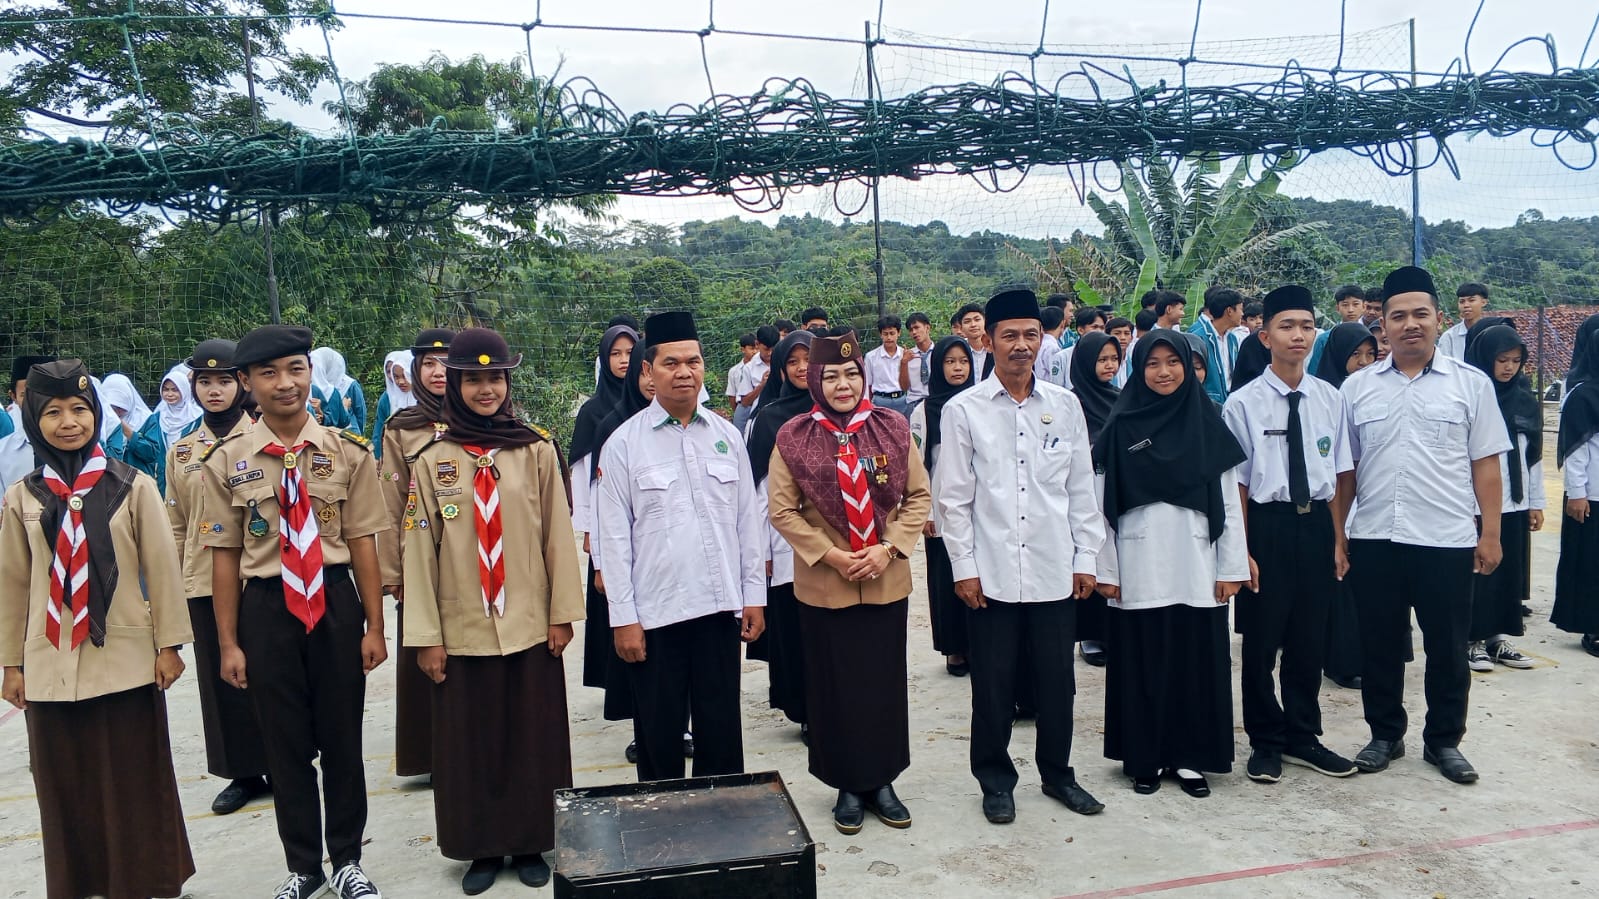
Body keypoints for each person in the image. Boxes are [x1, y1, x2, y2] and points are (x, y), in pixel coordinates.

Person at [200, 325, 390, 899]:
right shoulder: (225, 461)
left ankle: (349, 859)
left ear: (311, 373)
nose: (285, 384)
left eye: (296, 369)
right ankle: (304, 867)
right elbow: (225, 558)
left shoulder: (347, 452)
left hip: (333, 602)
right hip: (266, 607)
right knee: (283, 745)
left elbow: (363, 544)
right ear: (246, 384)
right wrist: (229, 642)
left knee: (342, 740)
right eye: (269, 373)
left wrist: (375, 624)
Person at [0, 359, 196, 899]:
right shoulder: (22, 497)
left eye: (80, 410)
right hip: (50, 664)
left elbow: (162, 569)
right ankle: (81, 881)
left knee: (133, 775)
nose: (69, 422)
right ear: (33, 417)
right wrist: (11, 665)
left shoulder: (131, 486)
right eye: (55, 411)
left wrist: (170, 645)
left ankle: (146, 877)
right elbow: (14, 586)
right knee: (66, 783)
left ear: (97, 414)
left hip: (127, 659)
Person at [404, 328, 583, 894]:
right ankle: (481, 846)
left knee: (533, 737)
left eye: (496, 377)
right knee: (470, 741)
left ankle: (530, 839)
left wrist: (562, 614)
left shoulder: (534, 449)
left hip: (529, 621)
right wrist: (426, 635)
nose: (487, 389)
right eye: (474, 379)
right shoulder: (433, 458)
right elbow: (418, 551)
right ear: (454, 384)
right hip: (461, 628)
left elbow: (557, 534)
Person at [937, 289, 1107, 825]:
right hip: (990, 576)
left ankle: (1058, 775)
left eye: (1030, 335)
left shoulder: (1065, 405)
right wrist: (963, 568)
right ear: (987, 340)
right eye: (1008, 335)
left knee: (1059, 682)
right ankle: (994, 780)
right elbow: (953, 500)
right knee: (994, 684)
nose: (1020, 345)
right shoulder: (963, 410)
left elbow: (1082, 489)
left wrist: (1088, 557)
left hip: (1056, 569)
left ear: (1042, 339)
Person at [1341, 266, 1511, 786]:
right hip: (1374, 537)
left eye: (1420, 314)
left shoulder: (1471, 386)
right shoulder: (1357, 388)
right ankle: (1385, 734)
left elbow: (1486, 464)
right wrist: (1339, 536)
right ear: (1383, 326)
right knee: (1380, 644)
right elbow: (1344, 471)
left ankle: (1443, 741)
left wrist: (1491, 533)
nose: (1410, 324)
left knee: (1447, 646)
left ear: (1438, 318)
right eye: (1398, 316)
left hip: (1445, 538)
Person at [768, 331, 932, 835]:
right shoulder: (793, 436)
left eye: (851, 373)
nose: (843, 384)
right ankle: (845, 784)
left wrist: (888, 549)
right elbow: (782, 510)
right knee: (833, 687)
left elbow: (919, 498)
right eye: (831, 376)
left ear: (864, 376)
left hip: (886, 578)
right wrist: (832, 555)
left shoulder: (893, 427)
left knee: (882, 683)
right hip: (826, 584)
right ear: (815, 381)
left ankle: (883, 781)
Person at [594, 310, 766, 782]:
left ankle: (724, 820)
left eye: (693, 361)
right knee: (659, 735)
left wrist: (754, 597)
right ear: (648, 372)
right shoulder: (624, 445)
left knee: (721, 730)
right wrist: (623, 618)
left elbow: (747, 525)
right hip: (656, 617)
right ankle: (663, 831)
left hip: (718, 611)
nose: (684, 371)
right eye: (671, 363)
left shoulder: (727, 436)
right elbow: (612, 540)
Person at [1097, 330, 1248, 798]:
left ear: (1189, 367)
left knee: (1194, 663)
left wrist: (1231, 568)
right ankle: (1145, 758)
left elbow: (1227, 499)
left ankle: (1189, 757)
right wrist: (1106, 569)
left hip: (1196, 562)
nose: (1163, 372)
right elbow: (1099, 506)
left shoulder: (1209, 423)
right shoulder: (1121, 428)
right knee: (1142, 662)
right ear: (1138, 371)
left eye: (1173, 362)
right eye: (1152, 364)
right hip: (1138, 563)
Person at [1223, 286, 1358, 786]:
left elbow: (1343, 473)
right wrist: (1241, 549)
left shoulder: (1330, 398)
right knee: (1261, 641)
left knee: (1309, 637)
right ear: (1265, 335)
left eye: (1306, 325)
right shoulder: (1242, 404)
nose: (1298, 335)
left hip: (1316, 524)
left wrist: (1339, 538)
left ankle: (1304, 735)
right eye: (1286, 326)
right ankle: (1265, 741)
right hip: (1267, 525)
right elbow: (1235, 482)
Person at [165, 340, 272, 816]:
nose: (214, 390)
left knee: (271, 672)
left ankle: (283, 761)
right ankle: (241, 772)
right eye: (204, 382)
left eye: (224, 381)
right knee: (222, 680)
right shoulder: (182, 450)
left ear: (241, 384)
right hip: (205, 581)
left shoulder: (265, 440)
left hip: (259, 576)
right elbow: (175, 524)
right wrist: (173, 584)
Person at [378, 329, 455, 783]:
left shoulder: (487, 418)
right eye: (428, 363)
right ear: (415, 371)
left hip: (478, 557)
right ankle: (429, 755)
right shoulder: (401, 428)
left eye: (447, 362)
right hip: (418, 556)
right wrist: (393, 571)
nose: (438, 371)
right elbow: (387, 503)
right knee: (426, 652)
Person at [745, 330, 815, 737]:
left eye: (809, 359)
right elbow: (756, 489)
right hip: (784, 542)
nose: (803, 367)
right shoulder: (768, 418)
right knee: (795, 627)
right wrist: (761, 547)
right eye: (793, 361)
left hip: (837, 545)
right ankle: (805, 708)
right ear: (781, 369)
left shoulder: (837, 410)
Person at [1464, 325, 1541, 671]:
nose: (1509, 368)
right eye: (1501, 360)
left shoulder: (1524, 399)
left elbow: (1532, 456)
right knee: (1477, 572)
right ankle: (1472, 639)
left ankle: (1497, 637)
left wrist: (1535, 501)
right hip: (1478, 503)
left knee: (1507, 570)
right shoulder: (1472, 396)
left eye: (1516, 361)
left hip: (1515, 501)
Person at [1313, 322, 1381, 691]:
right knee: (1341, 587)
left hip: (1374, 503)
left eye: (1370, 355)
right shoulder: (1326, 397)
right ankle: (1342, 660)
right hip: (1339, 501)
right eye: (1355, 355)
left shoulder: (1377, 392)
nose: (1364, 362)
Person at [909, 337, 975, 677]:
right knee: (945, 579)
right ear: (937, 367)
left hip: (979, 508)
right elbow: (917, 464)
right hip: (941, 510)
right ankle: (954, 649)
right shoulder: (924, 411)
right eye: (950, 362)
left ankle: (978, 643)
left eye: (963, 361)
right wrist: (927, 512)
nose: (958, 368)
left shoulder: (981, 404)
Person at [1552, 313, 1599, 657]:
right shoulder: (1584, 395)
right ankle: (1592, 627)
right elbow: (1577, 450)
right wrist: (1578, 493)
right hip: (1591, 495)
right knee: (1589, 565)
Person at [0, 354, 56, 488]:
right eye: (25, 395)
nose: (36, 402)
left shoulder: (77, 445)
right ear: (13, 396)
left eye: (44, 393)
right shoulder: (2, 453)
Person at [1189, 288, 1243, 403]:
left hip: (1230, 400)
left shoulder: (1232, 339)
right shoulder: (1199, 337)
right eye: (1240, 309)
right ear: (1229, 311)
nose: (1242, 314)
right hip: (1207, 402)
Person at [1308, 286, 1368, 372]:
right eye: (1345, 305)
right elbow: (1314, 372)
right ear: (1337, 308)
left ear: (1364, 307)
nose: (1350, 310)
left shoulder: (1371, 337)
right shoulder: (1325, 339)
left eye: (1355, 304)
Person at [98, 372, 153, 466]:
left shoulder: (147, 419)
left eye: (122, 407)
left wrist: (130, 434)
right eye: (113, 407)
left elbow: (151, 454)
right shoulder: (100, 421)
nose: (118, 412)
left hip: (139, 476)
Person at [369, 350, 415, 456]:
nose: (400, 382)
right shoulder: (388, 399)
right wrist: (377, 454)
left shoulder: (425, 399)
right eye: (396, 377)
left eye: (405, 376)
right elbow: (380, 429)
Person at [865, 315, 910, 417]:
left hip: (901, 400)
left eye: (892, 333)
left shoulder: (905, 355)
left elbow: (908, 383)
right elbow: (868, 384)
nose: (889, 338)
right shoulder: (871, 357)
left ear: (899, 333)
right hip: (880, 401)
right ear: (881, 334)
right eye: (885, 334)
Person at [1437, 282, 1490, 359]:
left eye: (1471, 300)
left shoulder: (1492, 333)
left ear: (1484, 302)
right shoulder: (1449, 337)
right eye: (1462, 301)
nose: (1466, 305)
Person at [902, 312, 935, 411]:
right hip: (913, 403)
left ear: (927, 328)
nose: (914, 332)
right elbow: (904, 387)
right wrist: (903, 363)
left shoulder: (940, 352)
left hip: (934, 401)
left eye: (917, 327)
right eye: (911, 330)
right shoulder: (908, 356)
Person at [951, 303, 994, 379]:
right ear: (961, 328)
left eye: (977, 320)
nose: (973, 324)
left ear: (985, 322)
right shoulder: (957, 350)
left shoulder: (996, 348)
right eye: (967, 321)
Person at [727, 333, 756, 430]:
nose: (755, 352)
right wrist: (738, 413)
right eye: (751, 348)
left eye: (757, 348)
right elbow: (732, 395)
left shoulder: (764, 368)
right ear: (742, 349)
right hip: (742, 408)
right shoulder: (734, 371)